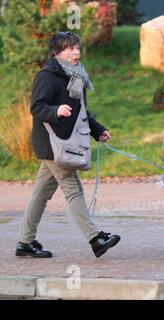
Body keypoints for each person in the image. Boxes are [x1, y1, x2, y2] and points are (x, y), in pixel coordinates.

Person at [16, 31, 120, 258]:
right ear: (57, 52)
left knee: (41, 194)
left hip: (65, 142)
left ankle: (25, 242)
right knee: (73, 190)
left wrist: (97, 130)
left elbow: (83, 112)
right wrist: (56, 111)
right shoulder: (47, 76)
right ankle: (95, 238)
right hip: (53, 144)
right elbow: (37, 107)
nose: (76, 52)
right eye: (70, 48)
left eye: (77, 48)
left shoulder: (77, 77)